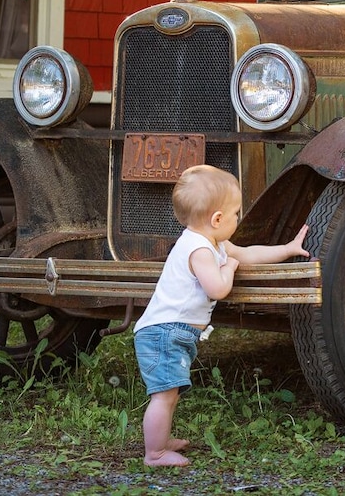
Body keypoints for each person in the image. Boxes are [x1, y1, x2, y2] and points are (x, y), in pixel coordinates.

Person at [133, 164, 309, 467]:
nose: (238, 219)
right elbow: (216, 288)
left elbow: (250, 253)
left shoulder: (211, 241)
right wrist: (227, 268)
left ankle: (160, 439)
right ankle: (155, 453)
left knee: (169, 394)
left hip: (171, 332)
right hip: (164, 333)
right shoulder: (199, 250)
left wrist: (288, 248)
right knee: (163, 396)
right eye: (236, 214)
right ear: (217, 219)